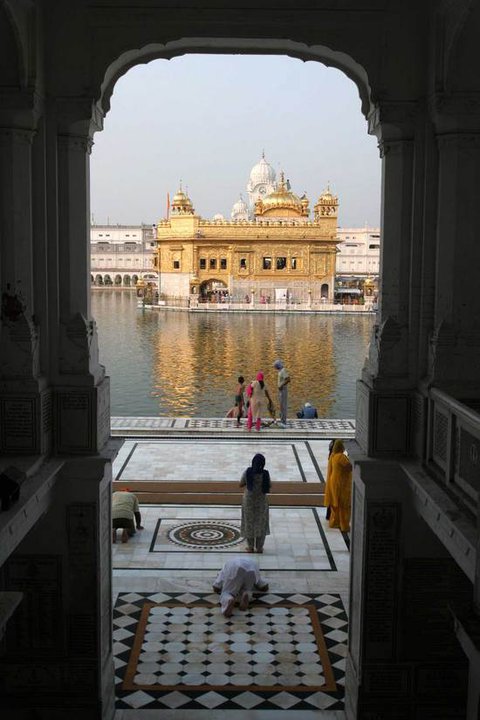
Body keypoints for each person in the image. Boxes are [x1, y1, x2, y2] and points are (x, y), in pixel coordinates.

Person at [240, 453, 271, 553]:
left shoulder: (248, 472)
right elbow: (269, 485)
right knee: (261, 522)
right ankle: (259, 547)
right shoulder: (265, 474)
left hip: (249, 501)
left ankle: (250, 547)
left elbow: (240, 483)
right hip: (261, 502)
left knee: (249, 522)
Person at [324, 439, 352, 532]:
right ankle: (344, 525)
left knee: (335, 504)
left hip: (334, 481)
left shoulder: (333, 455)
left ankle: (334, 522)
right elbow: (349, 467)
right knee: (344, 505)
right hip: (341, 483)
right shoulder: (341, 457)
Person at [273, 359, 290, 427]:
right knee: (281, 405)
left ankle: (284, 422)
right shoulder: (280, 371)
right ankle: (282, 420)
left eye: (275, 366)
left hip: (283, 390)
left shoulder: (283, 370)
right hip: (281, 390)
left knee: (283, 406)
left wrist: (281, 385)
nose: (275, 367)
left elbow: (288, 379)